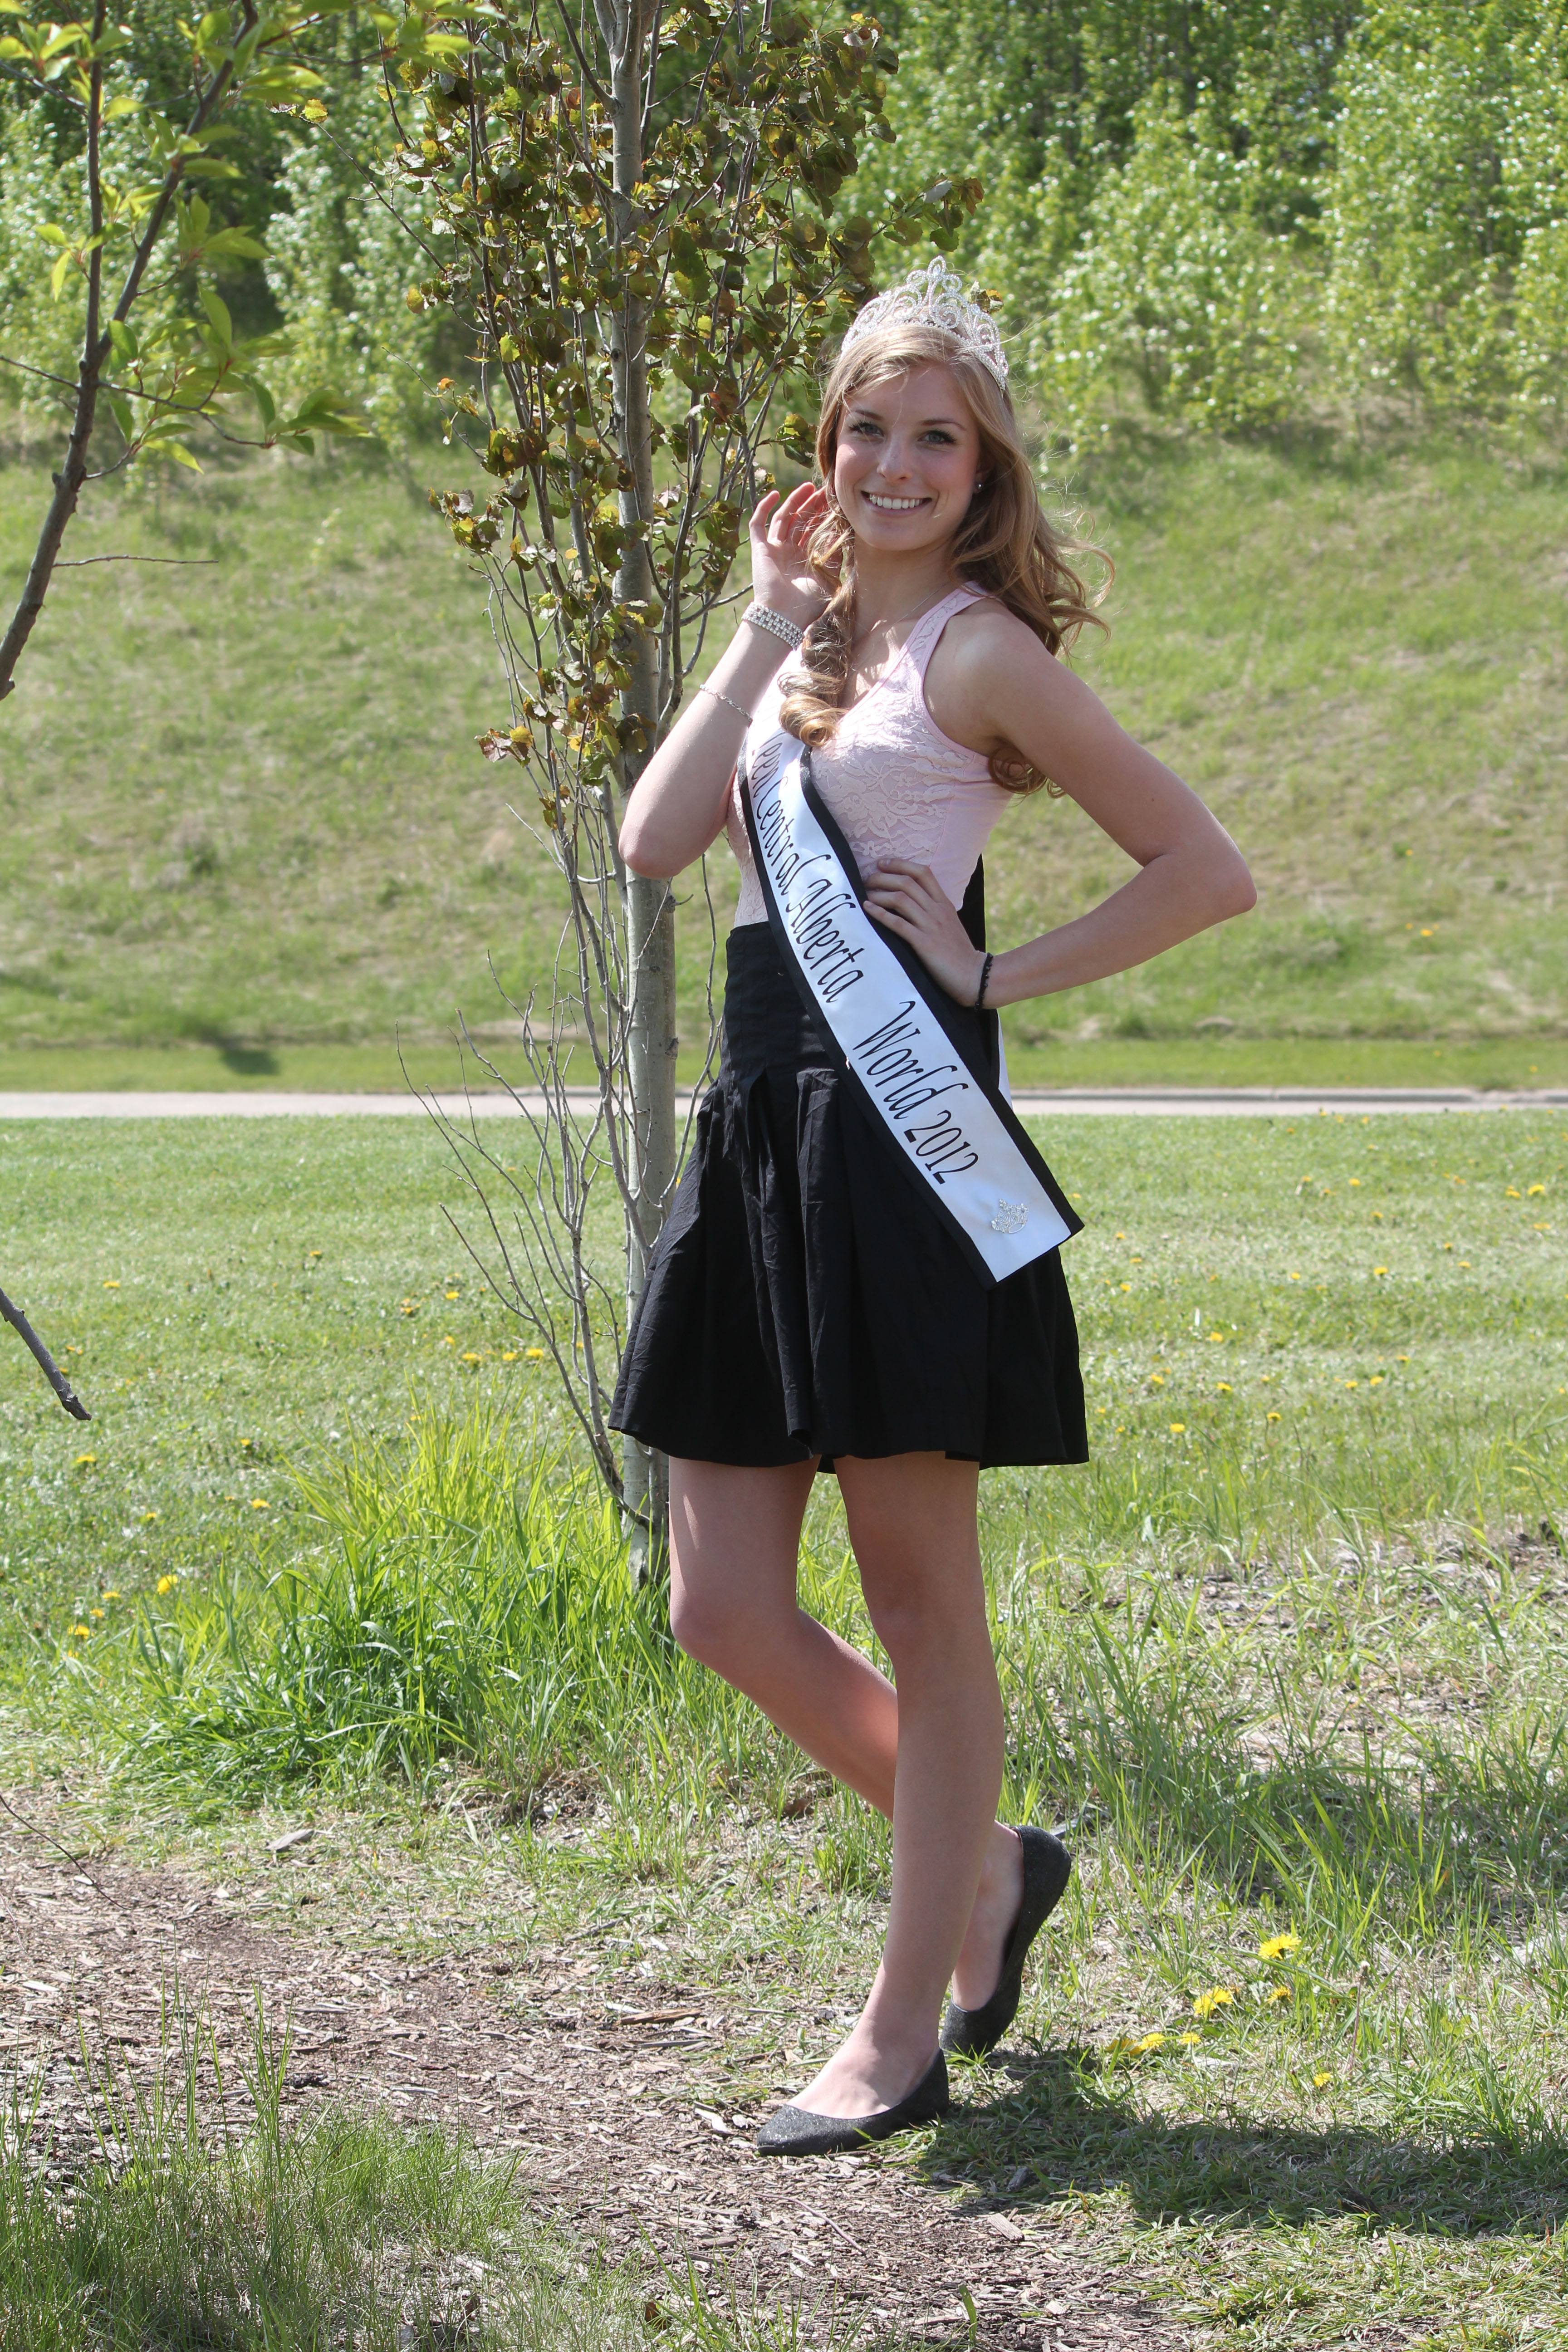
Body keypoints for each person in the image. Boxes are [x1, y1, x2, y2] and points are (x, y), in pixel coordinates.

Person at [612, 261, 1255, 2156]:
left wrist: (995, 980)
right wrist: (755, 623)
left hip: (901, 1156)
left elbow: (1204, 868)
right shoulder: (799, 652)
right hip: (762, 1149)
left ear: (982, 475)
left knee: (918, 1601)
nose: (894, 463)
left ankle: (898, 2035)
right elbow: (656, 845)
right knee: (718, 1602)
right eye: (867, 430)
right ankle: (979, 1873)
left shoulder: (979, 656)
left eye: (934, 438)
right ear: (827, 455)